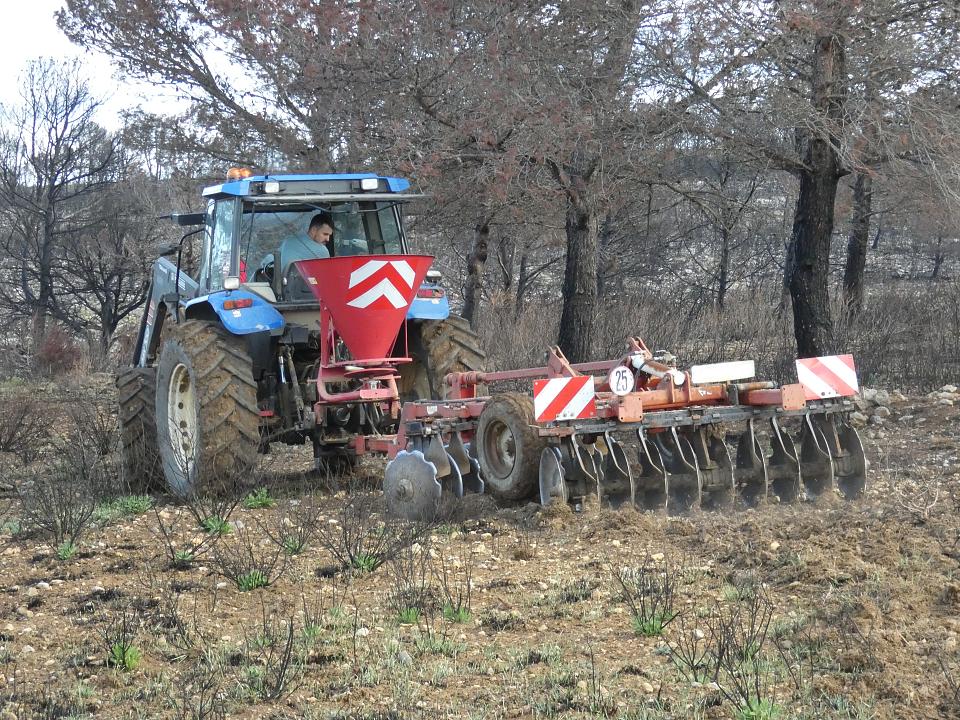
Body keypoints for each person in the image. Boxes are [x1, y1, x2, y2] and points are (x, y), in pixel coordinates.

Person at [278, 212, 335, 280]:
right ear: (313, 230)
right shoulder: (323, 251)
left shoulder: (287, 241)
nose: (328, 239)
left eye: (329, 235)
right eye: (325, 234)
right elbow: (325, 276)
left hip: (282, 284)